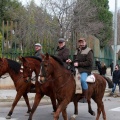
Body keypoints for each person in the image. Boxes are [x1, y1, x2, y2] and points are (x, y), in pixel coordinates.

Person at [66, 37, 94, 103]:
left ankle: (85, 97)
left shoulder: (89, 51)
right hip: (76, 69)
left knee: (83, 80)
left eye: (82, 42)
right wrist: (71, 61)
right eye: (80, 42)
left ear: (85, 42)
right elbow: (75, 62)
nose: (81, 44)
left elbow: (89, 62)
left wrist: (79, 64)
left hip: (85, 69)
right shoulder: (77, 51)